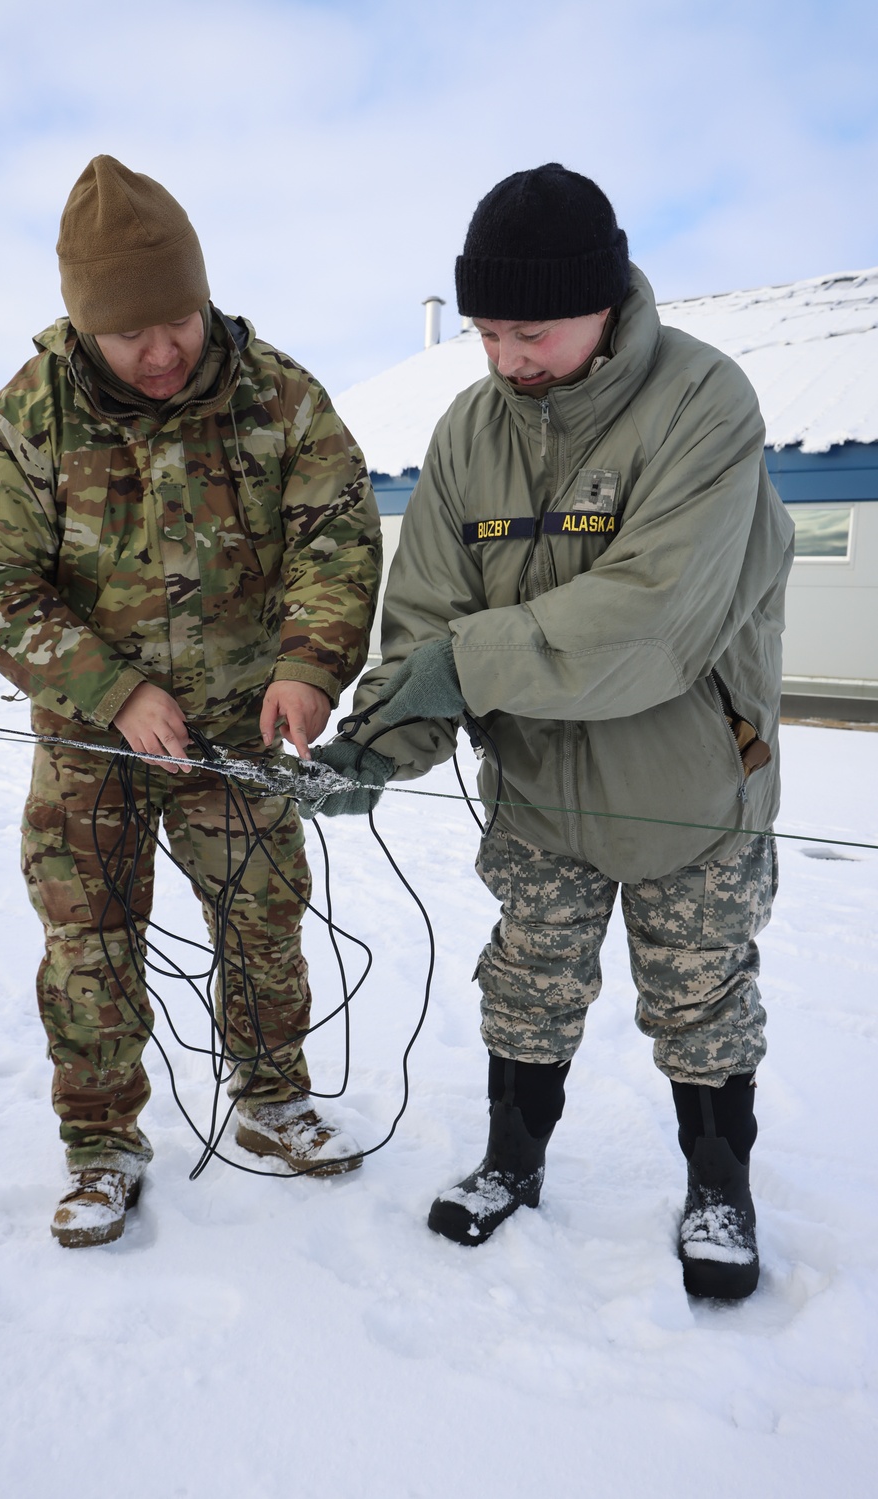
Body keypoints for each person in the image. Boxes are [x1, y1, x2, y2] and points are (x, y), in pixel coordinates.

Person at [308, 164, 793, 1300]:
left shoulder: (704, 404)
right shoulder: (469, 430)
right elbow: (425, 619)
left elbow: (649, 618)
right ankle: (510, 1162)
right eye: (484, 332)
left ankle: (719, 1186)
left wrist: (457, 665)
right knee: (525, 981)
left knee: (701, 1000)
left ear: (605, 299)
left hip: (687, 788)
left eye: (528, 330)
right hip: (535, 796)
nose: (504, 358)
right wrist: (378, 741)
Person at [0, 156, 381, 1248]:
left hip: (240, 728)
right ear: (84, 326)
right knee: (88, 943)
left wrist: (309, 662)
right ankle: (101, 1147)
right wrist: (113, 689)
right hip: (95, 745)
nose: (158, 350)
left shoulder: (279, 395)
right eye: (127, 333)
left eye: (173, 321)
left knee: (264, 917)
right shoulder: (24, 421)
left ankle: (273, 1101)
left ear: (200, 291)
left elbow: (337, 535)